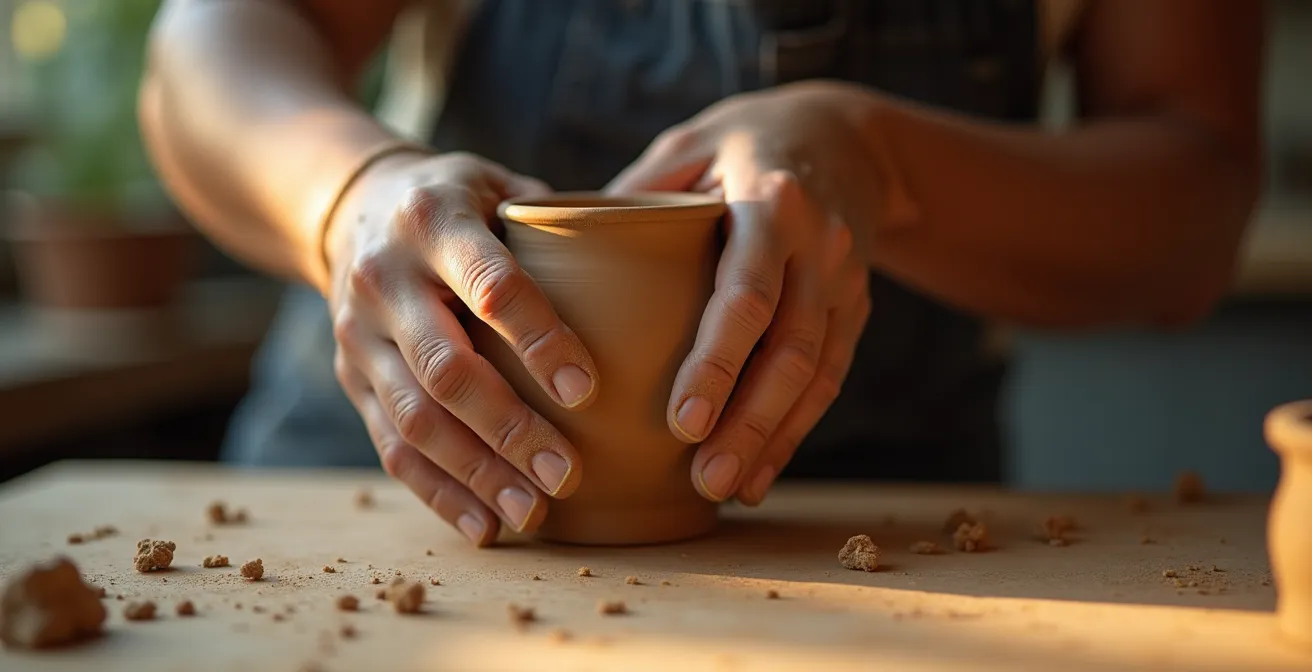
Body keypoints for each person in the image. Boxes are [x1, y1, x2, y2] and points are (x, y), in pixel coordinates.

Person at [139, 0, 1264, 547]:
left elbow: (1195, 206)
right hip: (394, 482)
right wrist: (352, 196)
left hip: (866, 528)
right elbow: (204, 52)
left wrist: (879, 162)